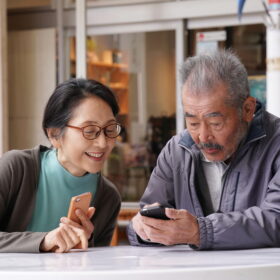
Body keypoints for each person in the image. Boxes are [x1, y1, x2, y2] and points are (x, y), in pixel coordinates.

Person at [127, 49, 280, 250]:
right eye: (192, 122)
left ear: (247, 109)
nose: (202, 136)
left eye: (215, 123)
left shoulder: (275, 143)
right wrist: (143, 229)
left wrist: (200, 231)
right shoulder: (177, 150)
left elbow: (276, 220)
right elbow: (147, 215)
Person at [0, 78, 121, 253]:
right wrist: (43, 240)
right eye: (89, 131)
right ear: (55, 135)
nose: (103, 143)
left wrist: (84, 242)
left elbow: (94, 267)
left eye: (110, 130)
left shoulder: (109, 196)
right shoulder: (16, 168)